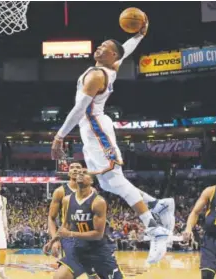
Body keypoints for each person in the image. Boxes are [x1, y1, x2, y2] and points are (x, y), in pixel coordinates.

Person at [51, 13, 174, 264]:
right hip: (92, 130)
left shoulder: (97, 76)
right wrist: (138, 35)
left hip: (96, 129)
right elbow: (125, 50)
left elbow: (78, 110)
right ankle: (159, 204)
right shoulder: (110, 67)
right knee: (106, 184)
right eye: (101, 45)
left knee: (113, 180)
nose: (99, 48)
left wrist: (59, 135)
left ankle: (154, 228)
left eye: (105, 48)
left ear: (112, 57)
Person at [45, 170, 124, 279]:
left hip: (99, 251)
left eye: (85, 173)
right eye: (79, 173)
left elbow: (98, 234)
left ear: (91, 180)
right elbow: (66, 226)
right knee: (59, 277)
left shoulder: (98, 202)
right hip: (79, 250)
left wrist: (71, 234)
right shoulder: (67, 200)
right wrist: (52, 241)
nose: (80, 174)